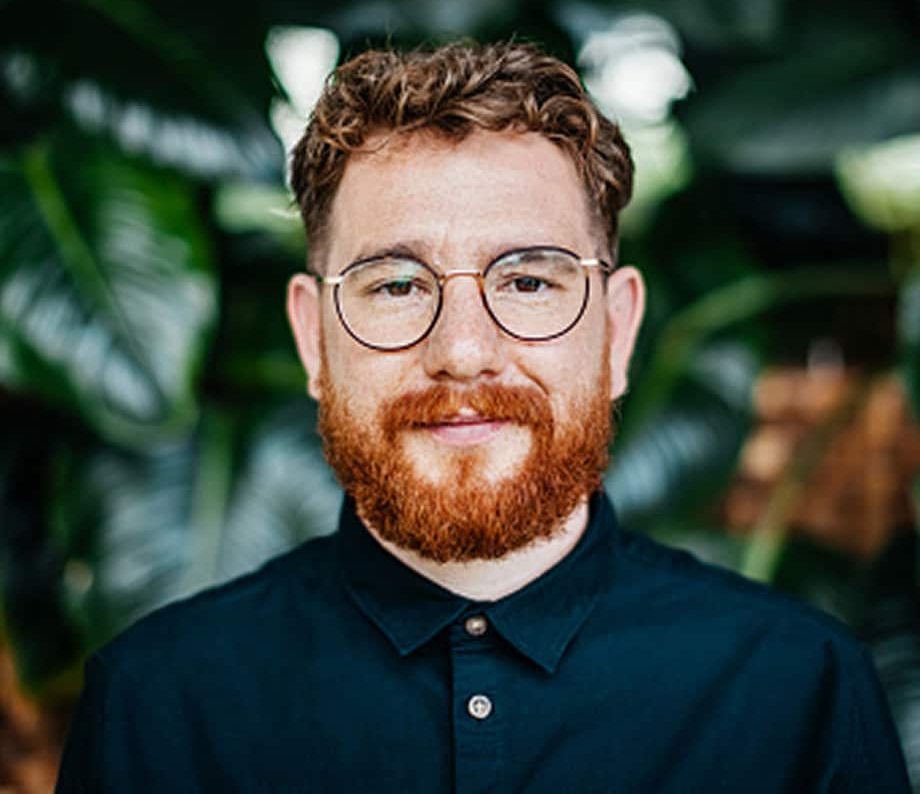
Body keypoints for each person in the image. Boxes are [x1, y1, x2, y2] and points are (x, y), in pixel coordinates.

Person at [56, 42, 909, 792]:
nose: (463, 351)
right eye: (395, 285)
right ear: (312, 340)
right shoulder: (156, 705)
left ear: (617, 332)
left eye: (528, 281)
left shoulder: (800, 691)